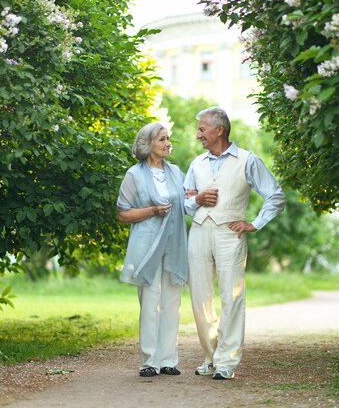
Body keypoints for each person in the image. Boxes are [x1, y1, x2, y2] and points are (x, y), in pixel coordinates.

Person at [184, 107, 286, 380]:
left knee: (232, 296)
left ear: (219, 130)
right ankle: (210, 356)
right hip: (199, 232)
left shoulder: (247, 160)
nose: (198, 135)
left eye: (202, 129)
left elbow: (275, 195)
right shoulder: (197, 164)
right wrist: (196, 200)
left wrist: (254, 223)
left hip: (231, 233)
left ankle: (227, 362)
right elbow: (185, 203)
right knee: (199, 298)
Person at [117, 122, 189, 378]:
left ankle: (168, 359)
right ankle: (149, 361)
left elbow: (186, 204)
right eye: (162, 139)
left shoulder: (177, 172)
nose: (168, 143)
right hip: (147, 245)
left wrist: (197, 198)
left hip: (174, 244)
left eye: (169, 138)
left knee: (172, 302)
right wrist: (152, 211)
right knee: (149, 303)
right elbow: (123, 214)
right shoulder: (134, 175)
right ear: (148, 145)